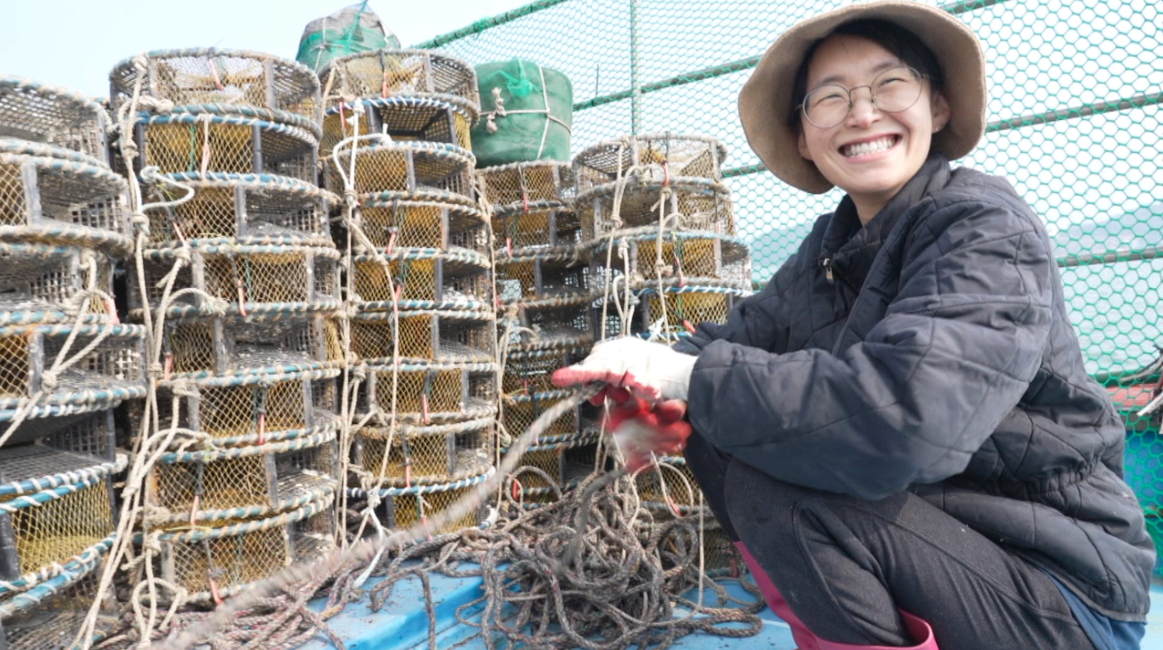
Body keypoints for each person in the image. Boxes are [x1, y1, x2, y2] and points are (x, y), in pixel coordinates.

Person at [551, 2, 1155, 649]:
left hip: (1063, 589)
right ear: (803, 137)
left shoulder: (985, 229)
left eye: (889, 84)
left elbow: (906, 416)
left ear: (937, 107)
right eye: (831, 97)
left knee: (781, 489)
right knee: (722, 436)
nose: (862, 113)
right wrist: (646, 383)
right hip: (947, 543)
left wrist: (690, 378)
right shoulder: (830, 248)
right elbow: (732, 340)